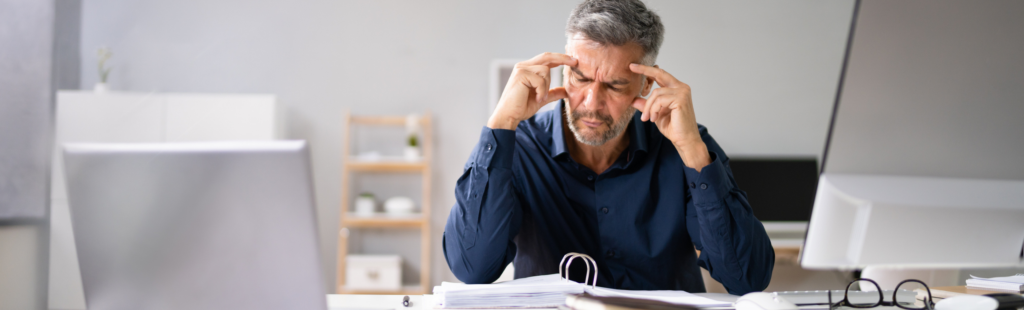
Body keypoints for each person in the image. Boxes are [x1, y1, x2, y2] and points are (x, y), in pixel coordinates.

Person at [443, 0, 774, 295]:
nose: (591, 103)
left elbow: (747, 279)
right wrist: (501, 124)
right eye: (580, 79)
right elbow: (473, 269)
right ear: (561, 72)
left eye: (615, 85)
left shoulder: (684, 145)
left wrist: (693, 151)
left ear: (647, 84)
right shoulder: (519, 148)